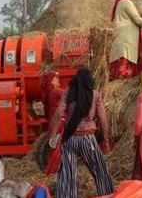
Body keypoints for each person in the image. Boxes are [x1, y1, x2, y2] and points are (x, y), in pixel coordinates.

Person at [49, 68, 114, 198]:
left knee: (67, 175)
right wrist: (106, 141)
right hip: (88, 139)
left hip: (70, 139)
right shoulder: (95, 94)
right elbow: (103, 118)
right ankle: (107, 195)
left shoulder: (68, 92)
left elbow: (58, 114)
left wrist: (52, 136)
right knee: (100, 170)